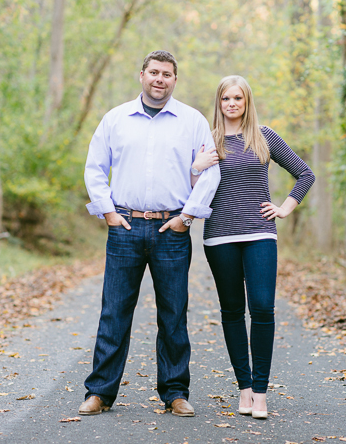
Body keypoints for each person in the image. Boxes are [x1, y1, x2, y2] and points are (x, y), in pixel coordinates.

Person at [80, 51, 220, 417]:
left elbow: (210, 173)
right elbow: (95, 168)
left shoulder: (192, 121)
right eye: (154, 72)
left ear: (175, 80)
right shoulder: (116, 119)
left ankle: (175, 392)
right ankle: (99, 392)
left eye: (167, 74)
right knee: (114, 311)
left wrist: (187, 218)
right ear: (141, 75)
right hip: (124, 226)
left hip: (171, 228)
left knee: (173, 313)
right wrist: (107, 211)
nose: (160, 79)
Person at [190, 75, 315, 419]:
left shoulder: (265, 137)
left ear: (247, 102)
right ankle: (244, 390)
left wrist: (284, 208)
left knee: (261, 308)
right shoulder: (208, 142)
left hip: (260, 233)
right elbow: (188, 187)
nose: (231, 104)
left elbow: (305, 174)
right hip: (219, 236)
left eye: (238, 98)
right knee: (232, 311)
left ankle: (261, 393)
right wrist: (195, 168)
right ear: (219, 103)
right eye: (226, 98)